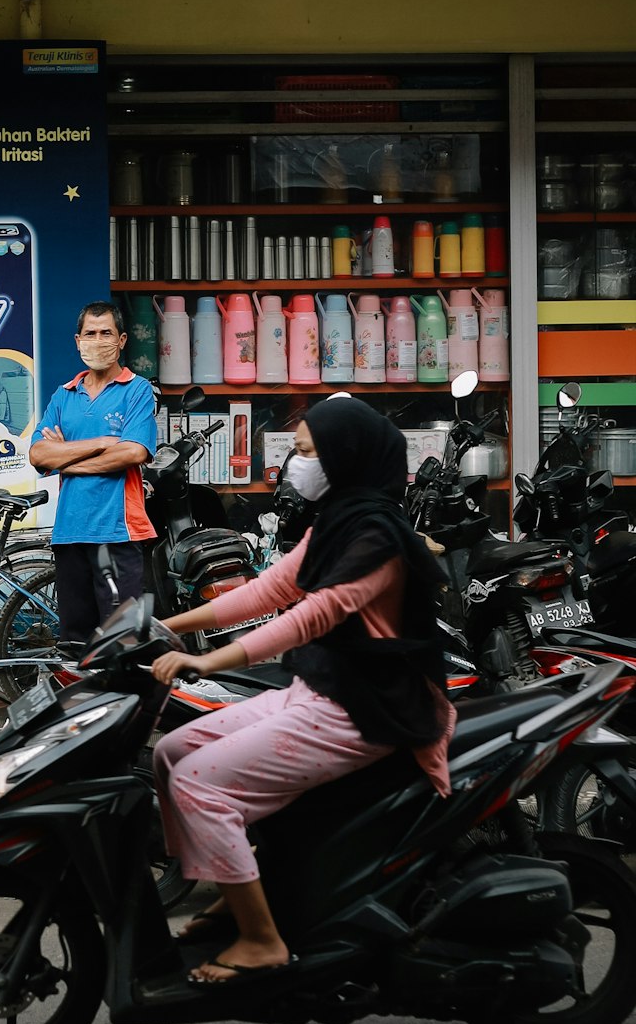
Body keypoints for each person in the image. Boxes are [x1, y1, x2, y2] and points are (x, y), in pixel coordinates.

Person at [150, 395, 455, 987]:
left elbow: (311, 616)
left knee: (198, 784)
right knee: (169, 754)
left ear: (344, 457)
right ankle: (236, 888)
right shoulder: (338, 520)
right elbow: (268, 591)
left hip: (365, 707)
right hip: (322, 687)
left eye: (306, 452)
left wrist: (211, 659)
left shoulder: (379, 536)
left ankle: (262, 940)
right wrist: (166, 624)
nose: (295, 464)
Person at [29, 301, 156, 651]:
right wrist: (102, 443)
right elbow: (38, 454)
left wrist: (65, 458)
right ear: (77, 340)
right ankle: (80, 706)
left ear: (122, 339)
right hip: (69, 533)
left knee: (121, 642)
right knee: (74, 642)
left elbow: (133, 452)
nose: (97, 341)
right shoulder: (63, 395)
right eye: (90, 333)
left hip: (116, 532)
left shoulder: (137, 390)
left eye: (106, 334)